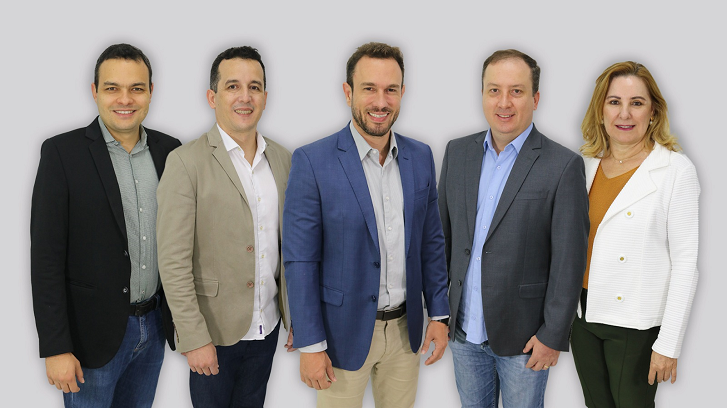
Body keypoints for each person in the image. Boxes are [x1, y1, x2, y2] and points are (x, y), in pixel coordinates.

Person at [283, 42, 450, 408]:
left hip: (406, 332)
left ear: (403, 93)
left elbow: (431, 242)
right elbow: (300, 260)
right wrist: (310, 344)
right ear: (348, 92)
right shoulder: (312, 161)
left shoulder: (421, 156)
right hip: (339, 335)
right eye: (369, 89)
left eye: (391, 90)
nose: (380, 102)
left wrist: (439, 314)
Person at [30, 43, 180, 407]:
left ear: (151, 92)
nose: (125, 99)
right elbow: (46, 258)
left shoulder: (171, 151)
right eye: (112, 88)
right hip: (90, 337)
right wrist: (56, 347)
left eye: (136, 88)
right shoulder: (61, 153)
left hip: (155, 326)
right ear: (94, 91)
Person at [438, 49, 589, 407]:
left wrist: (553, 335)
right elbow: (443, 238)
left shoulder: (563, 165)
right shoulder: (457, 152)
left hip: (525, 339)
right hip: (463, 333)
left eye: (517, 91)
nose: (504, 102)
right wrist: (439, 314)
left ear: (535, 99)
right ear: (482, 95)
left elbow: (569, 261)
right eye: (494, 90)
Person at [156, 46, 292, 408]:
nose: (245, 97)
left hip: (267, 327)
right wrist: (194, 337)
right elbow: (172, 261)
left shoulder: (283, 159)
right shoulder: (185, 162)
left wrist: (294, 317)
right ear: (212, 97)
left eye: (254, 87)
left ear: (265, 97)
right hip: (213, 334)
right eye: (233, 86)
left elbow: (290, 248)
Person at [571, 61, 700, 408]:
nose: (624, 113)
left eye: (637, 103)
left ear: (653, 111)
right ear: (600, 110)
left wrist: (668, 343)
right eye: (614, 102)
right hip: (582, 318)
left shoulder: (675, 171)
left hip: (636, 325)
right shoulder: (585, 164)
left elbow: (686, 263)